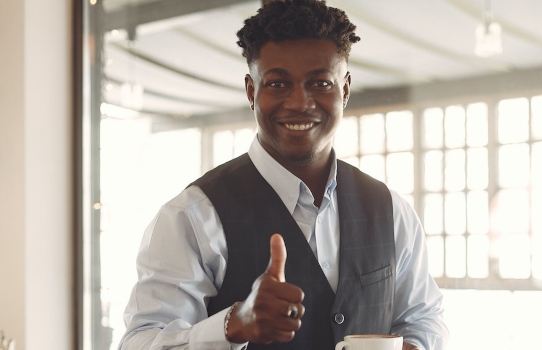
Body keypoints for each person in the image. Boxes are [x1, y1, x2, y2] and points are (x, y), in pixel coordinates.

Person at [118, 0, 449, 349]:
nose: (299, 103)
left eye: (320, 83)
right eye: (277, 84)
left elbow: (424, 319)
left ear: (345, 90)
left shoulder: (390, 210)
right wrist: (232, 326)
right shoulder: (193, 216)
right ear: (251, 92)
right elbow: (139, 343)